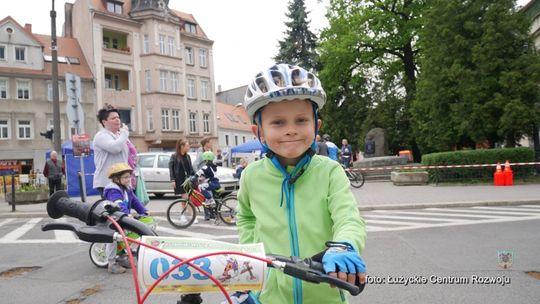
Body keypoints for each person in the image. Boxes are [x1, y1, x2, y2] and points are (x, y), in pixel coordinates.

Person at [236, 63, 366, 303]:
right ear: (259, 132)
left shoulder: (330, 172)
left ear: (316, 126)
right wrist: (249, 266)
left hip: (325, 295)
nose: (291, 130)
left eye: (301, 120)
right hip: (270, 296)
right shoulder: (251, 176)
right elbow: (246, 217)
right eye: (278, 123)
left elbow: (348, 217)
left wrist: (344, 245)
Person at [103, 163, 149, 274]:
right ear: (116, 179)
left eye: (129, 176)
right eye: (125, 177)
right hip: (111, 218)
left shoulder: (126, 189)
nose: (128, 179)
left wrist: (144, 211)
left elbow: (134, 201)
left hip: (121, 217)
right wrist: (126, 214)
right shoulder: (113, 190)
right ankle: (111, 263)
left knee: (125, 235)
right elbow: (118, 203)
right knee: (113, 237)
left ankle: (122, 257)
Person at [93, 104, 130, 197]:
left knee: (123, 209)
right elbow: (115, 148)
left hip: (122, 180)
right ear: (104, 122)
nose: (117, 119)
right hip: (107, 182)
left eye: (118, 117)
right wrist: (125, 134)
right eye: (113, 118)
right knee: (114, 210)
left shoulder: (120, 135)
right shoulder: (101, 135)